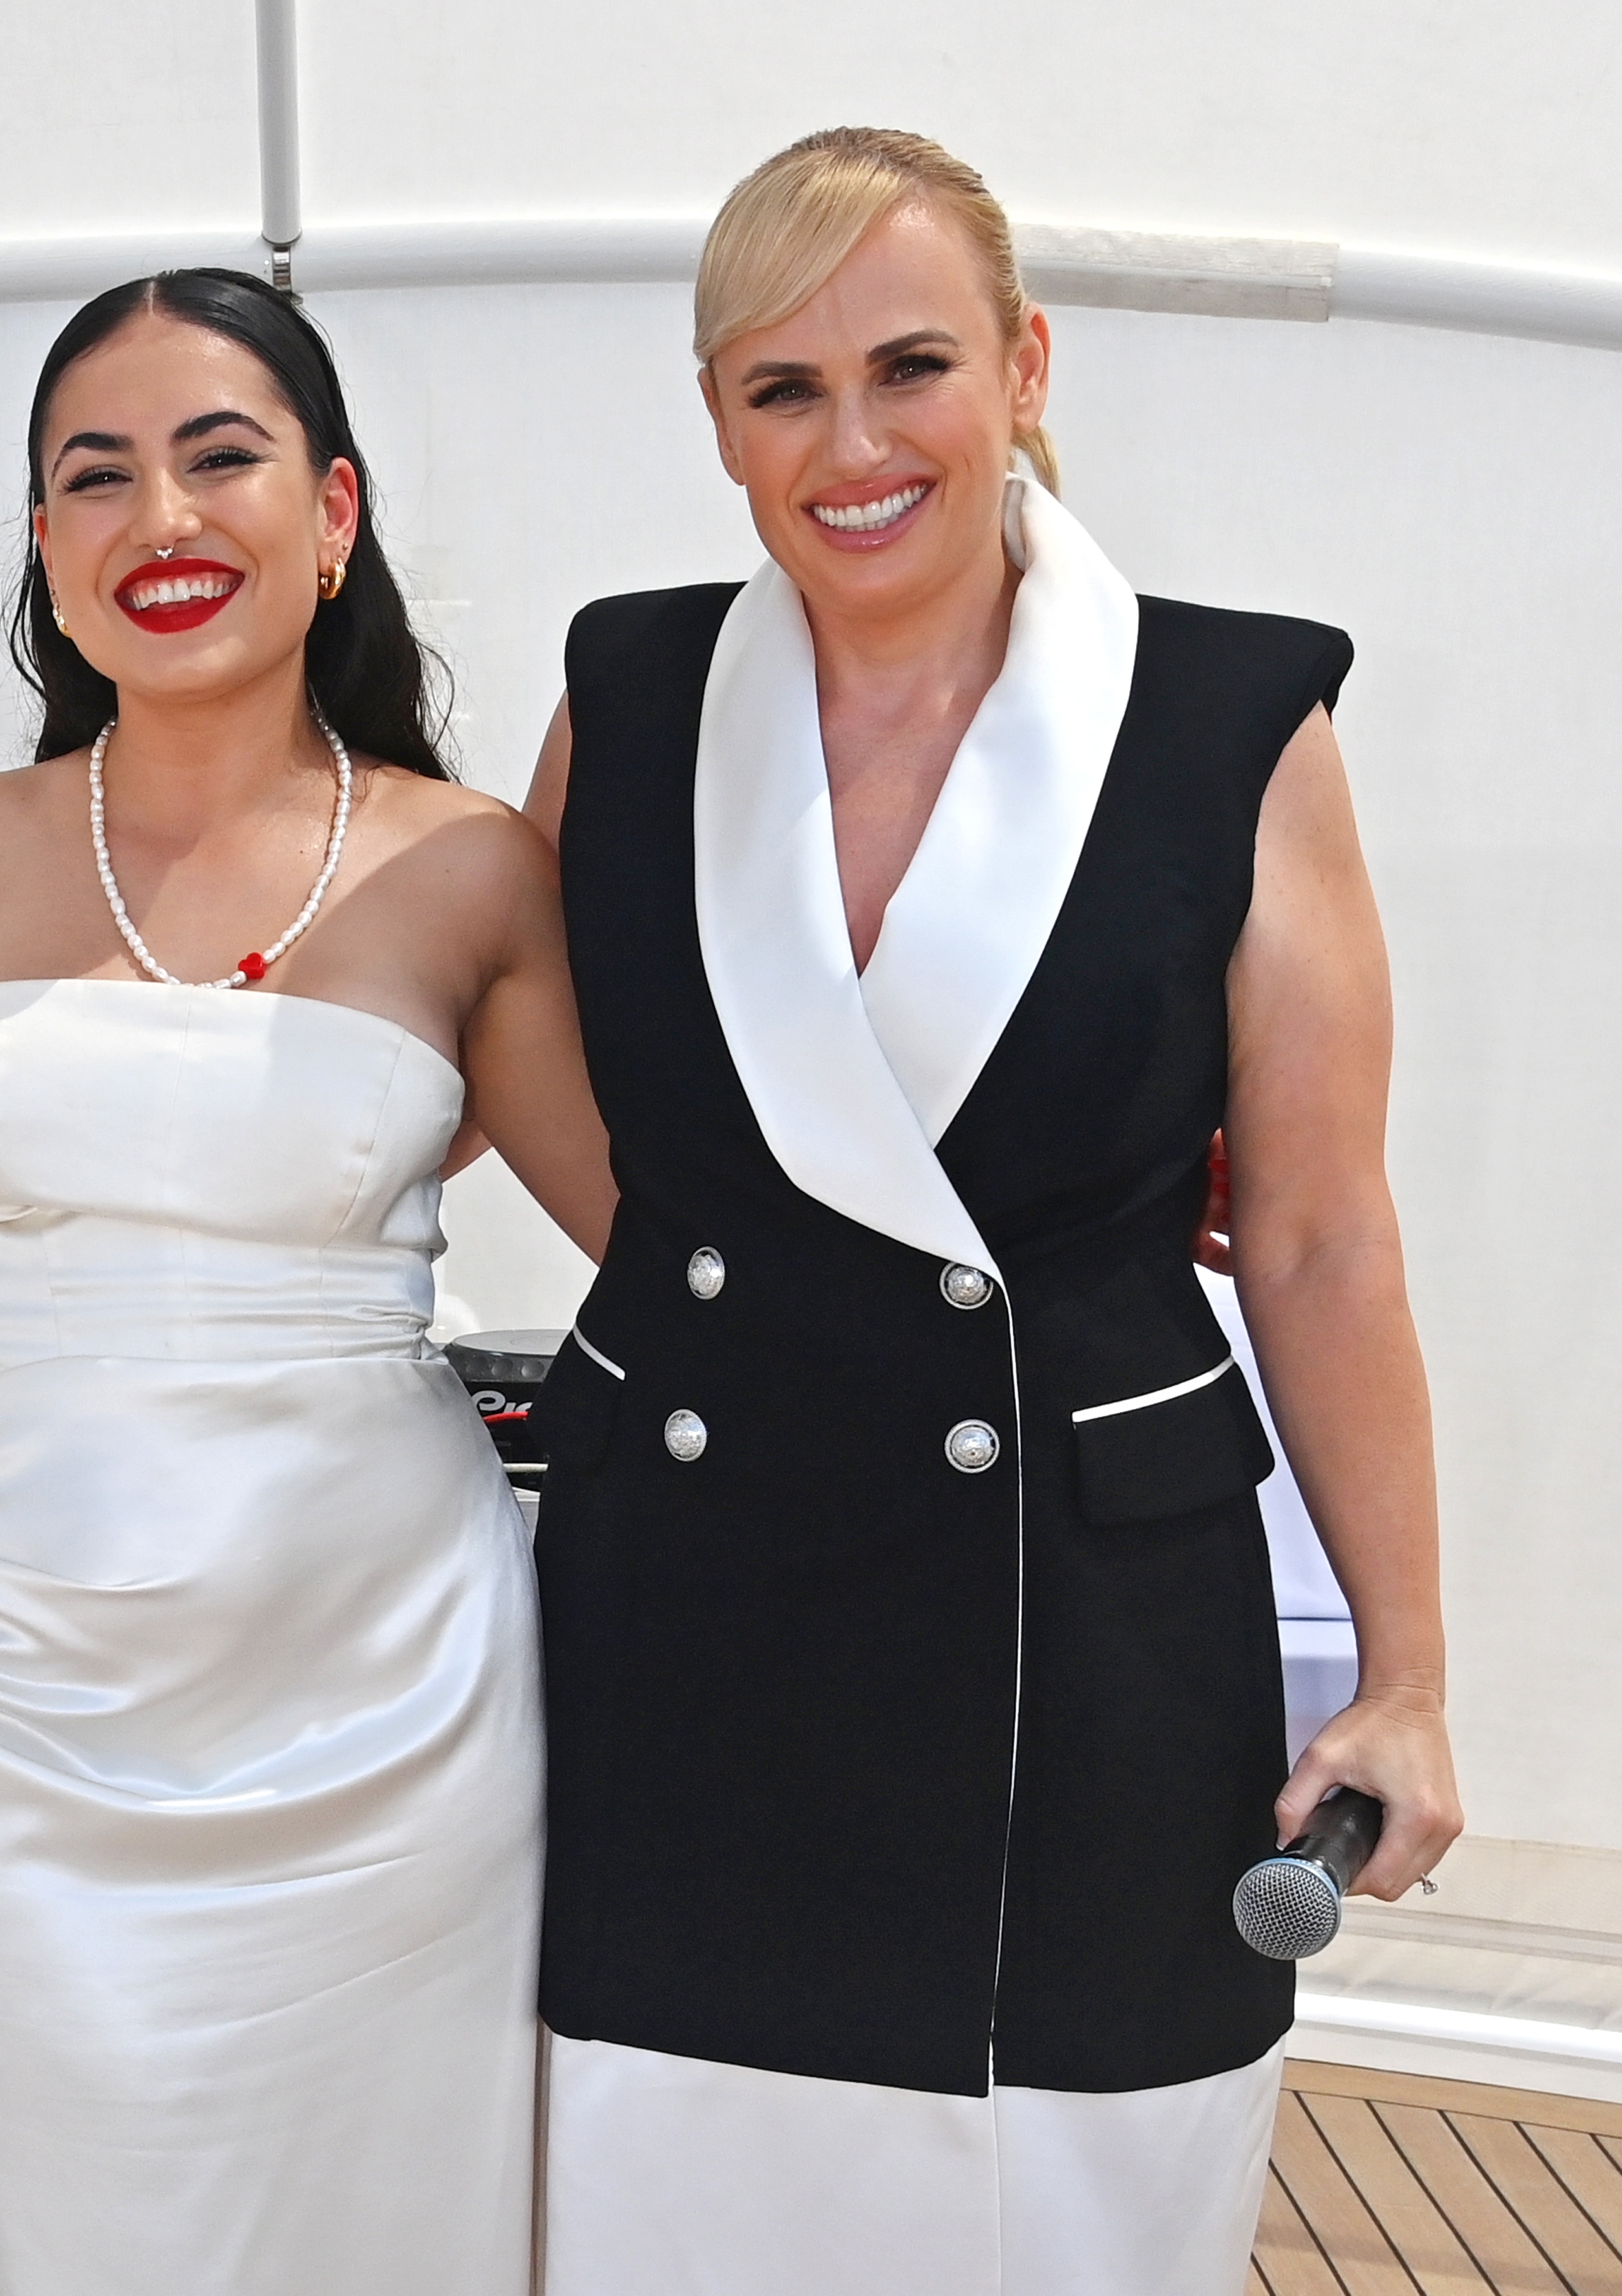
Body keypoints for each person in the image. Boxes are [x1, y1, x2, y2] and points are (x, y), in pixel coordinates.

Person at [523, 127, 1464, 2296]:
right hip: (699, 1614)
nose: (852, 444)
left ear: (1025, 365)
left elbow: (1321, 1236)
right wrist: (735, 1306)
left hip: (1097, 1645)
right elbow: (559, 1081)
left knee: (1075, 2207)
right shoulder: (633, 691)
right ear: (718, 426)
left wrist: (1407, 1676)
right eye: (781, 389)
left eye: (911, 366)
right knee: (689, 2196)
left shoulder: (1237, 719)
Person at [0, 268, 612, 2296]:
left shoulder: (469, 870)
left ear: (336, 511)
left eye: (222, 460)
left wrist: (1084, 1178)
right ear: (43, 547)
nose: (160, 524)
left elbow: (677, 1245)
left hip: (383, 1703)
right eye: (92, 479)